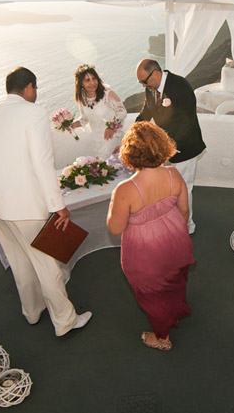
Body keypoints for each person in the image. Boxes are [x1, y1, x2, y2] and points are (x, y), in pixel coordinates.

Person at [0, 66, 92, 336]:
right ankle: (65, 321)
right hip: (26, 206)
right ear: (29, 87)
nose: (37, 93)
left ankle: (32, 312)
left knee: (19, 262)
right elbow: (43, 163)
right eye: (36, 88)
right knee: (47, 266)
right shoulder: (34, 113)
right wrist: (57, 206)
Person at [107, 122, 195, 351]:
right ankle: (176, 309)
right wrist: (172, 231)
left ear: (130, 154)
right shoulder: (173, 174)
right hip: (175, 239)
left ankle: (162, 337)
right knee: (175, 279)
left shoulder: (125, 190)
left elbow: (115, 228)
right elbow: (185, 211)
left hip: (145, 252)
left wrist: (112, 207)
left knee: (151, 296)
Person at [134, 58, 205, 234]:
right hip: (165, 148)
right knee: (167, 188)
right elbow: (145, 113)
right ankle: (170, 218)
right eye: (141, 82)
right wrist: (131, 137)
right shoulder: (151, 89)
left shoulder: (180, 86)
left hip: (185, 148)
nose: (143, 85)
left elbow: (187, 122)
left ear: (155, 73)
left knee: (184, 188)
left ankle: (187, 226)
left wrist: (168, 145)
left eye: (145, 81)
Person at [70, 64, 127, 159]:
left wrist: (110, 127)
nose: (92, 82)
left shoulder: (108, 94)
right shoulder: (82, 99)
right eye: (87, 80)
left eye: (94, 78)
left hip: (112, 137)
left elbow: (122, 112)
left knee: (103, 163)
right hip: (97, 141)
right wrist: (72, 124)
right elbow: (85, 119)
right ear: (81, 84)